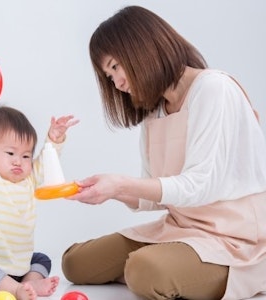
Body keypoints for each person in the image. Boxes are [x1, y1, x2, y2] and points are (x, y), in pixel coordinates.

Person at [61, 5, 266, 300]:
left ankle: (213, 273)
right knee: (75, 264)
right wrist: (108, 191)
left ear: (142, 47)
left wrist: (120, 183)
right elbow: (154, 194)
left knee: (145, 271)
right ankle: (170, 269)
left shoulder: (214, 89)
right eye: (109, 76)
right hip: (180, 229)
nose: (117, 83)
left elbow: (199, 186)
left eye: (116, 67)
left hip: (234, 239)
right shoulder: (154, 111)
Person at [0, 83, 78, 300]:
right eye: (10, 153)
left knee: (41, 258)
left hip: (16, 270)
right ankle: (15, 290)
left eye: (26, 155)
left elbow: (47, 165)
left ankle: (29, 284)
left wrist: (54, 140)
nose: (18, 161)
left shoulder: (28, 181)